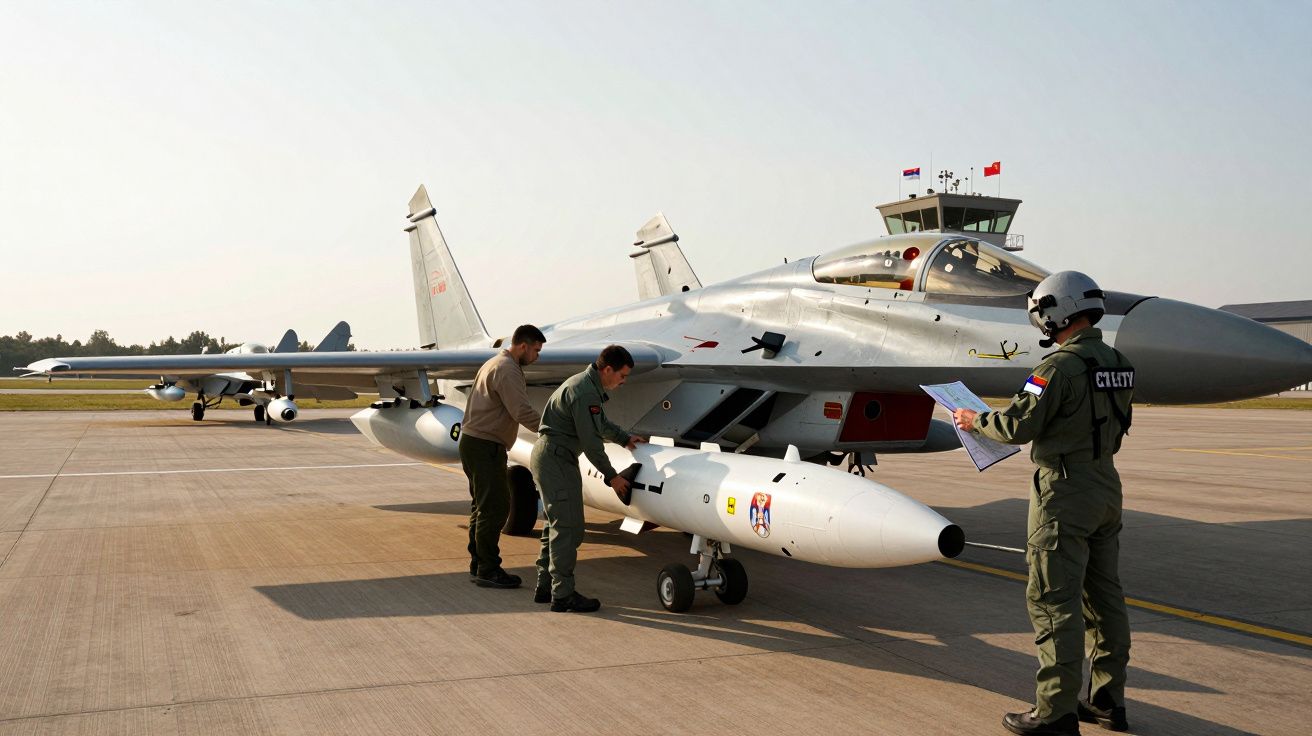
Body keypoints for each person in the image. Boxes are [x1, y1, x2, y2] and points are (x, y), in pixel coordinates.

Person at [952, 272, 1134, 736]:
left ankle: (1055, 712)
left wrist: (974, 419)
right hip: (1105, 485)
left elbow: (1017, 426)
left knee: (1054, 603)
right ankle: (1109, 701)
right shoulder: (1118, 362)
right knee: (1105, 598)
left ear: (1058, 311)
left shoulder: (1054, 369)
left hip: (1063, 492)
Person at [531, 345, 646, 612]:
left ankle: (545, 586)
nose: (623, 381)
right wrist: (612, 477)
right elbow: (592, 444)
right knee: (569, 528)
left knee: (554, 524)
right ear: (607, 370)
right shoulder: (585, 393)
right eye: (622, 375)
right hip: (556, 460)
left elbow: (601, 425)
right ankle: (563, 595)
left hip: (551, 456)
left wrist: (624, 437)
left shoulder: (585, 386)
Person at [459, 324, 546, 589]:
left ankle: (479, 562)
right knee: (496, 507)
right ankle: (488, 568)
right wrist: (552, 428)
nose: (537, 357)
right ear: (523, 346)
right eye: (536, 350)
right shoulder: (508, 370)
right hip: (485, 446)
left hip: (475, 443)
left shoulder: (495, 362)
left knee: (482, 506)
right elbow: (521, 412)